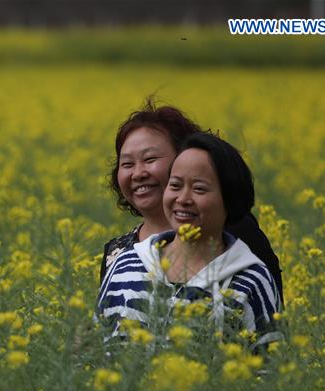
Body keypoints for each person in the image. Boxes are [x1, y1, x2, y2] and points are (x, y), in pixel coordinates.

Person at [96, 132, 282, 350]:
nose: (183, 199)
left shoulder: (251, 280)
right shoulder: (125, 266)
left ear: (229, 199)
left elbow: (268, 372)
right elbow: (97, 354)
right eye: (174, 186)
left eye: (199, 189)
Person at [101, 99, 283, 304]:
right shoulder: (118, 253)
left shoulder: (233, 231)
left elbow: (268, 315)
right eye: (127, 164)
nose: (138, 173)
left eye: (150, 159)